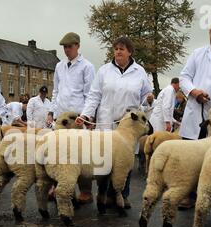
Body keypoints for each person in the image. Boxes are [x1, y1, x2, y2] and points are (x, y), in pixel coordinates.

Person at [79, 36, 153, 208]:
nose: (118, 52)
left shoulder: (139, 71)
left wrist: (149, 99)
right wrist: (86, 115)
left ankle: (121, 194)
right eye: (116, 49)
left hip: (128, 125)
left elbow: (146, 95)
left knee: (124, 160)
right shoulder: (104, 70)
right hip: (106, 122)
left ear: (130, 52)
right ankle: (104, 194)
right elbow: (94, 95)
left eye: (122, 49)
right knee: (103, 160)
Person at [51, 32, 96, 203]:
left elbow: (91, 94)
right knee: (59, 154)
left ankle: (85, 191)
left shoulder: (87, 67)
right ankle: (59, 187)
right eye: (64, 47)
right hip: (61, 119)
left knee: (81, 155)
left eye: (70, 46)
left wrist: (87, 117)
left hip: (78, 118)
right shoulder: (59, 66)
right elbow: (56, 90)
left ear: (77, 45)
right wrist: (54, 113)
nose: (66, 50)